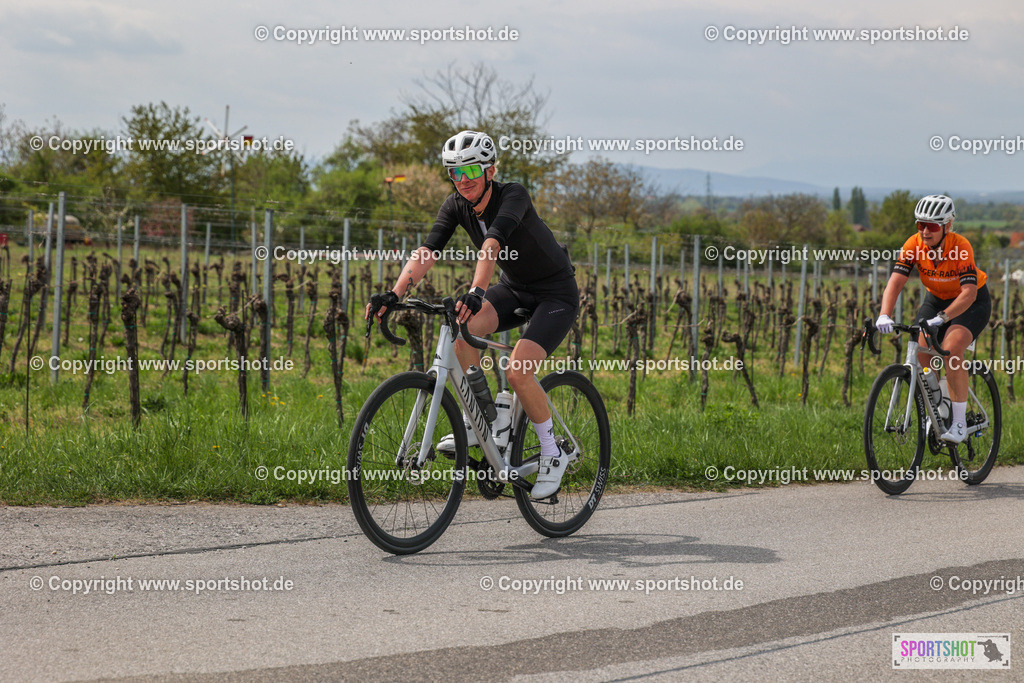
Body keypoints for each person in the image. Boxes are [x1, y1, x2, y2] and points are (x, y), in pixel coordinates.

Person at [365, 130, 580, 499]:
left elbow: (492, 244)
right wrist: (394, 293)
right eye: (455, 173)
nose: (462, 181)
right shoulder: (455, 205)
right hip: (515, 287)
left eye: (470, 172)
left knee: (517, 369)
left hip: (555, 292)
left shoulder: (514, 195)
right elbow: (428, 250)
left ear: (490, 171)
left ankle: (552, 452)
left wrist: (478, 292)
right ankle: (486, 418)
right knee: (462, 333)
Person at [875, 194, 991, 443]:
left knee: (951, 349)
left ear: (947, 226)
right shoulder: (913, 244)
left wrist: (944, 318)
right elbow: (896, 282)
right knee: (921, 350)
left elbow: (969, 293)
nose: (925, 231)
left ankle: (959, 422)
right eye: (920, 225)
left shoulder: (960, 246)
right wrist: (884, 313)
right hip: (936, 299)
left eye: (932, 226)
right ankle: (940, 406)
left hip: (970, 302)